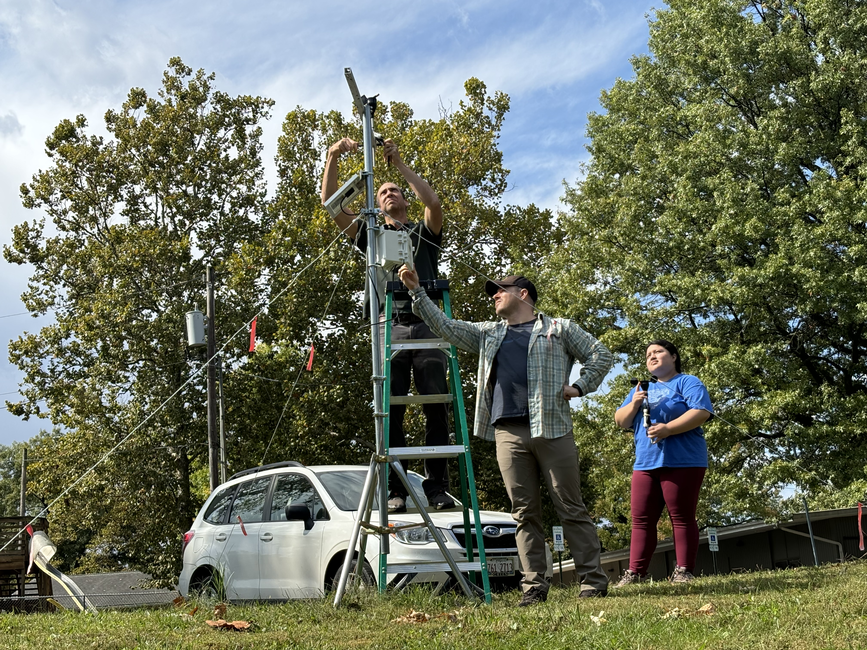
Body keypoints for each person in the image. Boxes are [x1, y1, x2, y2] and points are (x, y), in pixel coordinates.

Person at [398, 265, 614, 606]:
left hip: (553, 428)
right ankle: (534, 587)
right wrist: (416, 291)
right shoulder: (488, 333)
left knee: (570, 507)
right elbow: (446, 327)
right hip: (507, 433)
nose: (494, 295)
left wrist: (580, 386)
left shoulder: (559, 329)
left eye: (500, 289)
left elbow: (601, 355)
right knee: (524, 513)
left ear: (522, 294)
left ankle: (592, 581)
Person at [321, 137, 453, 513]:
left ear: (404, 198)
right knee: (391, 407)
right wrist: (332, 156)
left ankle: (437, 487)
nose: (390, 193)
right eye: (383, 192)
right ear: (376, 205)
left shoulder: (426, 233)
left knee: (434, 404)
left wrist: (400, 166)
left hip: (428, 321)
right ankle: (396, 489)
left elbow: (433, 202)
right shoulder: (372, 235)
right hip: (388, 324)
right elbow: (332, 207)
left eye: (394, 190)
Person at [613, 340, 713, 586]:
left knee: (681, 516)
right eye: (648, 354)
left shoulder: (688, 382)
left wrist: (668, 428)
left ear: (674, 357)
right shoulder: (641, 388)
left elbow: (701, 412)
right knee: (641, 519)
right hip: (645, 463)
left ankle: (683, 571)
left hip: (683, 460)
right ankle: (636, 573)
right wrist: (635, 402)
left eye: (658, 351)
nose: (652, 356)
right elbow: (621, 420)